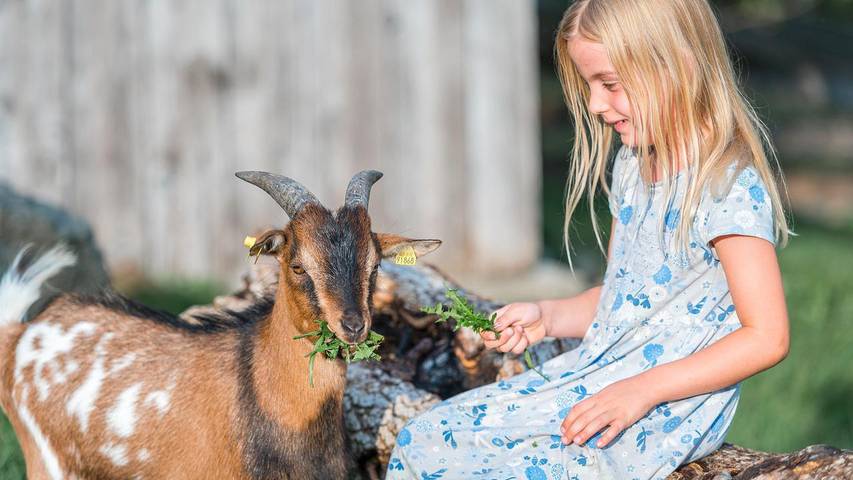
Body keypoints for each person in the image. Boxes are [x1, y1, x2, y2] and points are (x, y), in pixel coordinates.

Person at [384, 0, 791, 478]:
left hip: (665, 405)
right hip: (600, 375)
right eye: (591, 86)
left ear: (676, 65)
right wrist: (547, 316)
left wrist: (643, 390)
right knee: (426, 438)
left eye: (611, 85)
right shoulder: (634, 167)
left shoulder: (725, 186)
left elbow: (767, 336)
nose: (596, 105)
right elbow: (621, 301)